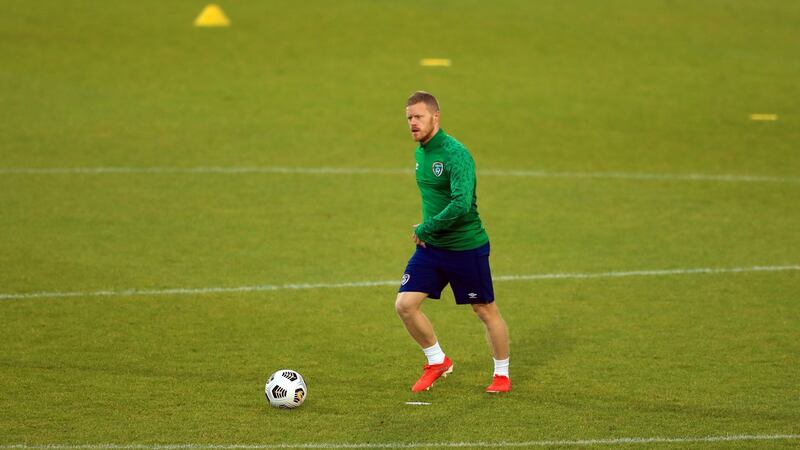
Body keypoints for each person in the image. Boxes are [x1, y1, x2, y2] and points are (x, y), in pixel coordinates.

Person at [395, 91, 511, 393]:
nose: (412, 123)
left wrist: (427, 227)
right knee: (405, 305)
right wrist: (429, 232)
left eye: (418, 116)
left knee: (484, 310)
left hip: (465, 247)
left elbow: (461, 205)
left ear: (436, 116)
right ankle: (438, 361)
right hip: (432, 248)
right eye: (409, 118)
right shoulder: (421, 152)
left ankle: (502, 374)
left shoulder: (455, 153)